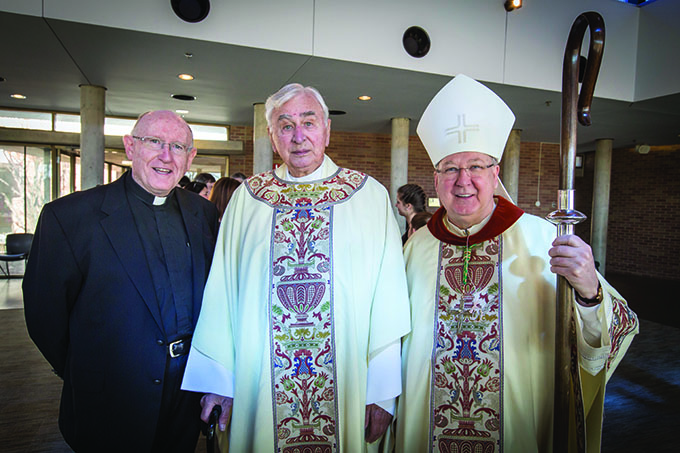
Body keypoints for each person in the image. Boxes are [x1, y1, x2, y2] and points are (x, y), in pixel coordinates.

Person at [396, 75, 638, 452]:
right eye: (451, 169)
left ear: (495, 175)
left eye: (476, 166)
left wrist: (589, 290)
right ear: (436, 178)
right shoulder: (417, 248)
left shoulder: (542, 238)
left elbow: (617, 327)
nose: (464, 181)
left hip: (517, 423)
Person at [181, 83, 411, 451]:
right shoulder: (248, 199)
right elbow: (223, 290)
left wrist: (382, 393)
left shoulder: (368, 196)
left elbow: (387, 296)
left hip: (347, 384)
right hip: (259, 384)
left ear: (327, 130)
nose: (299, 136)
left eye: (309, 122)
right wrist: (220, 382)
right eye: (286, 126)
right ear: (272, 137)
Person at [23, 110, 220, 452]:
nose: (166, 156)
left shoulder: (202, 213)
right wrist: (90, 370)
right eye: (154, 142)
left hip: (184, 398)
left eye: (177, 146)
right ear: (130, 147)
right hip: (109, 398)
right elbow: (45, 316)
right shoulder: (69, 217)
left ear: (190, 158)